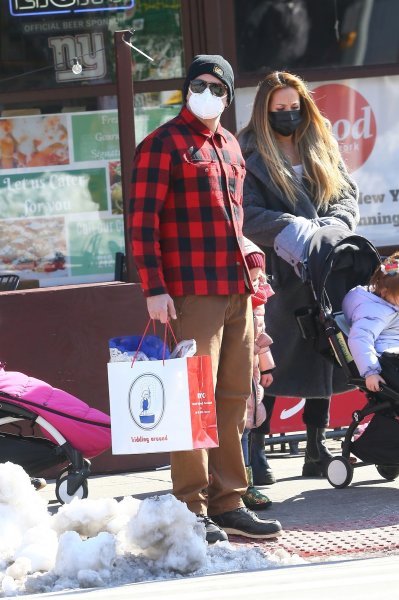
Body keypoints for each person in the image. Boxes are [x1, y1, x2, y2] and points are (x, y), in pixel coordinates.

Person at [128, 54, 282, 543]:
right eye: (199, 83)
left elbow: (236, 224)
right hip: (191, 292)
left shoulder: (232, 146)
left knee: (233, 399)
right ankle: (190, 509)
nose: (208, 91)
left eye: (218, 86)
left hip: (237, 289)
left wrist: (254, 285)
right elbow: (141, 223)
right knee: (192, 401)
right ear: (186, 88)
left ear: (229, 95)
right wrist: (154, 287)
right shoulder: (161, 144)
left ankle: (229, 501)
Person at [238, 71, 359, 479]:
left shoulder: (320, 140)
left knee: (325, 350)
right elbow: (245, 213)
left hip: (325, 265)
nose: (289, 116)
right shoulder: (247, 150)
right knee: (273, 358)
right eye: (280, 110)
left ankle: (315, 446)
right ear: (264, 111)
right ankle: (255, 448)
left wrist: (331, 229)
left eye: (295, 107)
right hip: (277, 271)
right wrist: (291, 227)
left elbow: (346, 194)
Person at [241, 239, 275, 510]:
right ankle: (241, 483)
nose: (256, 281)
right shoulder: (238, 303)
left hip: (252, 375)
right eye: (251, 277)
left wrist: (267, 366)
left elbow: (261, 337)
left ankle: (248, 480)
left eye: (259, 276)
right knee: (239, 429)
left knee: (249, 429)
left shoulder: (258, 302)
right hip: (238, 374)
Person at [342, 253, 399, 393]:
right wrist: (371, 372)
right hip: (388, 363)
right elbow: (360, 339)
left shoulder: (390, 305)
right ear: (385, 292)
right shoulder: (375, 313)